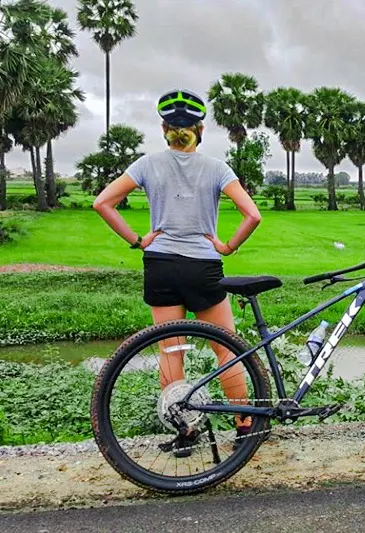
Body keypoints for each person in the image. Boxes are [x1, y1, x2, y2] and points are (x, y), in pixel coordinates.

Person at [93, 89, 262, 456]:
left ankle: (185, 430)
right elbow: (253, 215)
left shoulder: (147, 164)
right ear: (199, 129)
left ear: (164, 128)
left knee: (172, 351)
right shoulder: (217, 168)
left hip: (160, 265)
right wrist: (227, 246)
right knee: (225, 350)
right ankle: (245, 428)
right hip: (203, 267)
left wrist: (139, 240)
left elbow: (102, 202)